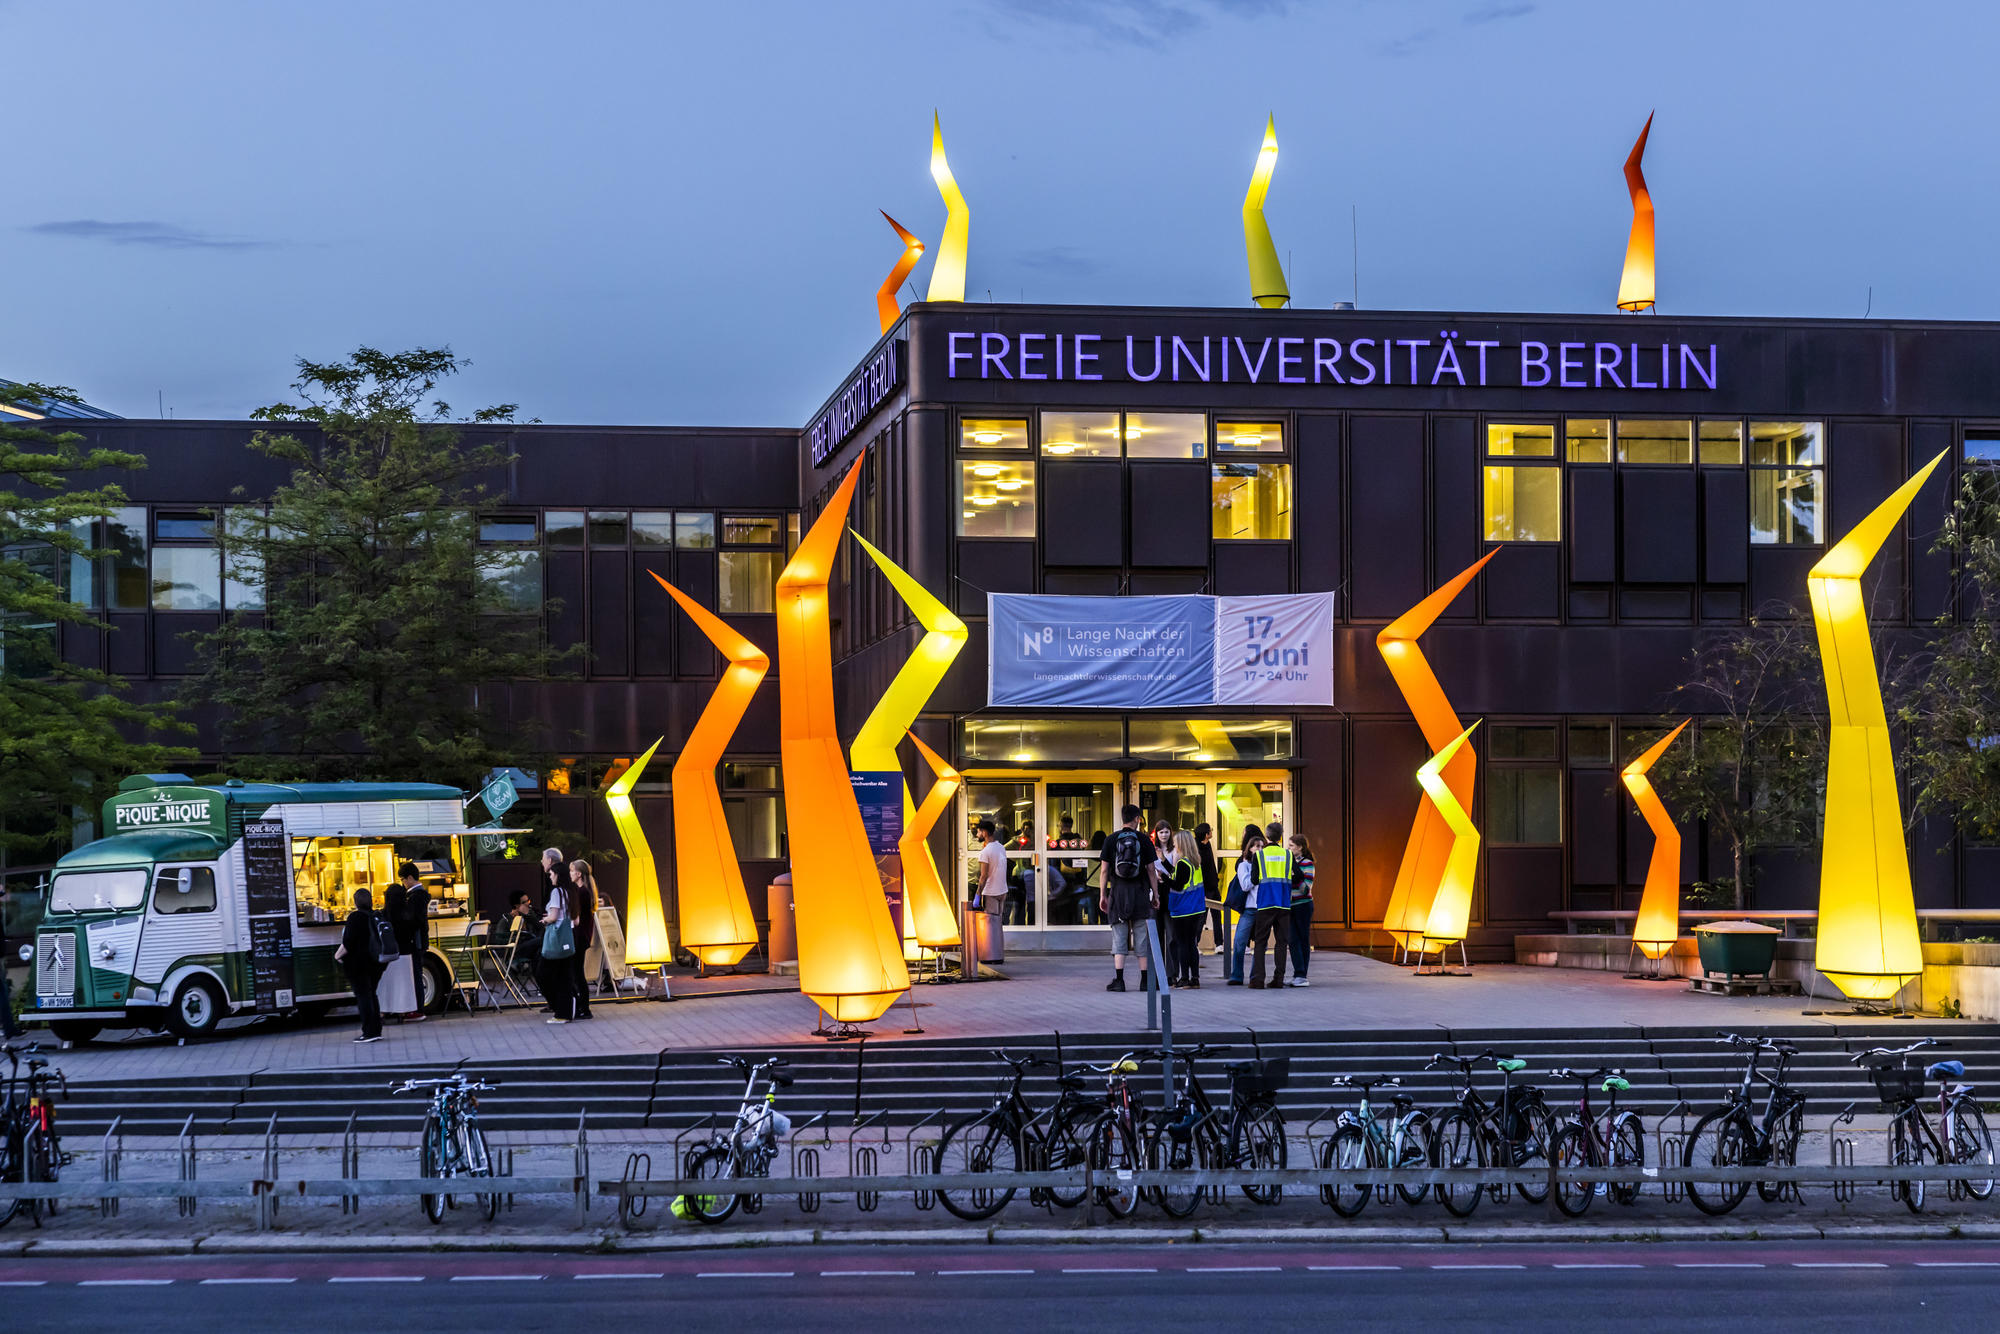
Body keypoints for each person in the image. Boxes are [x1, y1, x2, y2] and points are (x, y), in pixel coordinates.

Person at [1097, 804, 1159, 992]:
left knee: (1119, 937)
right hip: (1140, 894)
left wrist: (1103, 895)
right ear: (1137, 819)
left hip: (1118, 894)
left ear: (1122, 818)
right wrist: (1155, 894)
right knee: (1141, 936)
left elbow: (1104, 870)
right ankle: (1144, 981)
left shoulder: (1111, 840)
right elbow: (1151, 870)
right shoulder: (1144, 840)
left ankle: (1119, 980)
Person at [335, 889, 386, 1043]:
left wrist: (337, 956)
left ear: (355, 902)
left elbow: (348, 943)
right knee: (372, 994)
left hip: (359, 964)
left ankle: (368, 1032)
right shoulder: (377, 915)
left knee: (363, 996)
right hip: (377, 962)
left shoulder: (355, 917)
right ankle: (376, 1029)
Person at [1248, 830, 1296, 990]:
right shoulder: (1288, 855)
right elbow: (1299, 876)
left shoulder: (1259, 856)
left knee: (1261, 942)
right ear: (1280, 836)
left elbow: (1254, 879)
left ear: (1267, 836)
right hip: (1283, 904)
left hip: (1265, 903)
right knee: (1281, 943)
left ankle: (1258, 980)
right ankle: (1278, 979)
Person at [1165, 830, 1206, 989]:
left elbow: (1178, 884)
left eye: (1175, 842)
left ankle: (1184, 978)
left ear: (1181, 844)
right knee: (1191, 944)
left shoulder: (1183, 863)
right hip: (1196, 909)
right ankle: (1195, 978)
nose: (1174, 845)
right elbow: (1180, 876)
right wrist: (1164, 862)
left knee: (1183, 944)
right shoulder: (1194, 862)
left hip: (1183, 909)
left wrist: (1164, 880)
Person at [1225, 829, 1264, 985]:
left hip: (1263, 908)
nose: (1259, 849)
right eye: (1255, 846)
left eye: (1261, 846)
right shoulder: (1244, 866)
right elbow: (1246, 885)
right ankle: (1237, 975)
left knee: (1261, 944)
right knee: (1240, 942)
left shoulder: (1267, 865)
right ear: (1249, 849)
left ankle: (1255, 976)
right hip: (1249, 909)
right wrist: (1255, 870)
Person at [395, 863, 430, 1021]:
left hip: (415, 942)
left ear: (410, 878)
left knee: (415, 975)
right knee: (416, 974)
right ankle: (417, 1008)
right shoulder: (420, 895)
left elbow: (414, 921)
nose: (403, 883)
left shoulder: (415, 897)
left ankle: (417, 1010)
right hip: (420, 941)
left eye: (403, 879)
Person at [1285, 834, 1317, 988]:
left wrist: (1296, 875)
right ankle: (1298, 972)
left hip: (1303, 905)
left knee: (1303, 938)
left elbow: (1306, 888)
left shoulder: (1308, 863)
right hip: (1290, 905)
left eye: (1291, 845)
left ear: (1300, 847)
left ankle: (1302, 975)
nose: (1288, 848)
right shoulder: (1288, 863)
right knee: (1292, 939)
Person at [568, 859, 598, 1020]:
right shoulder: (586, 891)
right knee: (577, 972)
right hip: (583, 936)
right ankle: (582, 1006)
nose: (570, 874)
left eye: (572, 871)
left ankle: (584, 1008)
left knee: (577, 973)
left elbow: (576, 918)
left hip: (579, 936)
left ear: (578, 874)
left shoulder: (582, 892)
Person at [974, 819, 1006, 961]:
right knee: (998, 924)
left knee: (990, 927)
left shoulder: (986, 851)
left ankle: (991, 956)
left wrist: (977, 894)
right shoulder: (1001, 847)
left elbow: (984, 876)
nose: (977, 834)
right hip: (1002, 890)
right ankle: (999, 954)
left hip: (991, 892)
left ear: (985, 833)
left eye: (979, 831)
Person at [1193, 822, 1222, 957]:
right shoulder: (1196, 848)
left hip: (1213, 886)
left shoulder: (1207, 844)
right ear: (1206, 834)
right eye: (1210, 830)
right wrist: (1201, 891)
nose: (1212, 832)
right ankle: (1195, 943)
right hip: (1203, 888)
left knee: (1217, 915)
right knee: (1201, 917)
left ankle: (1219, 944)